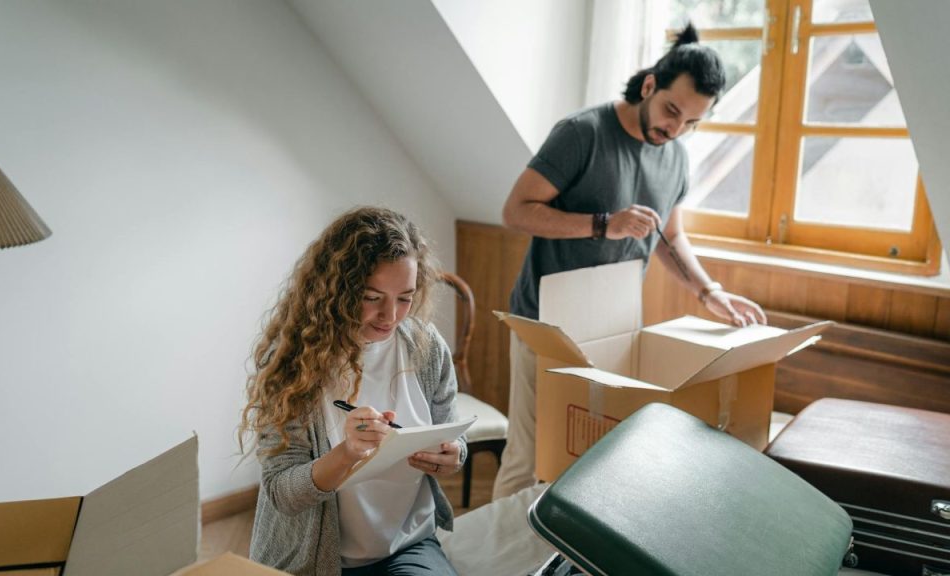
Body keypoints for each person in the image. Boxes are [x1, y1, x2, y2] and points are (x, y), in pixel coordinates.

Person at [492, 23, 768, 500]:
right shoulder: (582, 133)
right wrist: (603, 224)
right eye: (671, 111)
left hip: (613, 329)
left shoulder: (675, 156)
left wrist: (710, 293)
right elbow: (516, 212)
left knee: (590, 459)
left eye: (691, 123)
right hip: (545, 324)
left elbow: (670, 236)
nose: (675, 130)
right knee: (528, 456)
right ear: (648, 86)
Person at [240, 207, 466, 576]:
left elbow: (453, 436)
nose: (390, 316)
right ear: (337, 290)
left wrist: (452, 456)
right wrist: (347, 454)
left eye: (405, 298)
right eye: (372, 297)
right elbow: (282, 491)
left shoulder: (426, 348)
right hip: (315, 560)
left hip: (408, 545)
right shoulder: (291, 362)